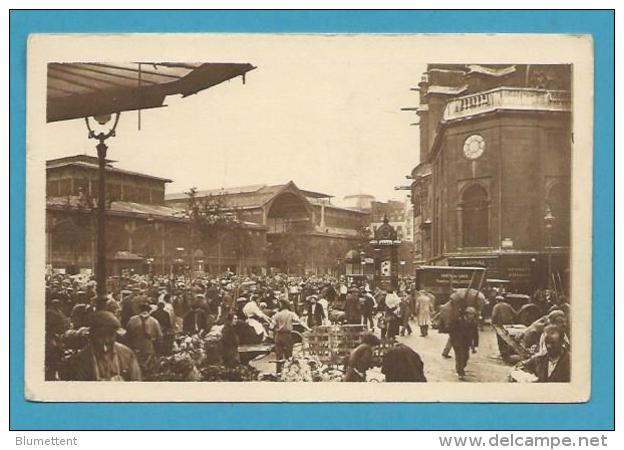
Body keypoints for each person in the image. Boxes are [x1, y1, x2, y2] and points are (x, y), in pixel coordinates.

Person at [69, 311, 142, 381]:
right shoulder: (83, 358)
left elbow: (136, 383)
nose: (107, 340)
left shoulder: (127, 355)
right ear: (92, 336)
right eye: (101, 336)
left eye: (111, 335)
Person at [272, 301, 309, 373]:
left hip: (278, 336)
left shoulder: (277, 314)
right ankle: (288, 372)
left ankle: (278, 372)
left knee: (279, 355)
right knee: (288, 355)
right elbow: (300, 322)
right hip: (287, 335)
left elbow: (271, 326)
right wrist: (308, 328)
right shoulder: (291, 314)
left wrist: (277, 328)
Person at [448, 306, 479, 380]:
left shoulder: (473, 323)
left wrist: (475, 345)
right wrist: (454, 339)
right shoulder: (458, 321)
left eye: (473, 315)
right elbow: (451, 330)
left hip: (466, 343)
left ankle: (461, 368)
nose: (471, 316)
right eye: (470, 314)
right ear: (466, 314)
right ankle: (460, 371)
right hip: (458, 342)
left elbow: (475, 334)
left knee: (466, 357)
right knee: (460, 357)